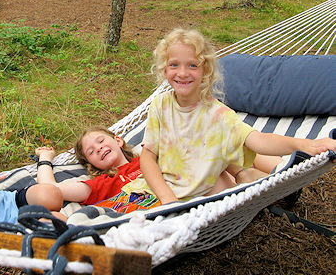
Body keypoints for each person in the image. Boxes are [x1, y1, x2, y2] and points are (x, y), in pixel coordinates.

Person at [125, 28, 336, 205]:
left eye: (192, 65)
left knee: (229, 182)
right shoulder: (161, 105)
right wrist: (166, 198)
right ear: (164, 70)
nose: (182, 73)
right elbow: (148, 157)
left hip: (201, 193)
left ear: (205, 70)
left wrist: (306, 145)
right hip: (166, 189)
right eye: (174, 65)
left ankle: (270, 183)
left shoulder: (217, 114)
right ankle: (255, 180)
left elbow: (259, 140)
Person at [35, 126, 160, 215]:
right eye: (91, 152)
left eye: (101, 141)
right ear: (92, 165)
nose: (98, 148)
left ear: (118, 141)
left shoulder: (148, 158)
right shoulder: (102, 184)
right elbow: (49, 188)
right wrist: (45, 157)